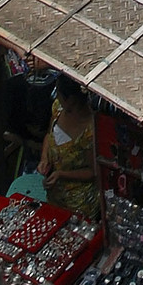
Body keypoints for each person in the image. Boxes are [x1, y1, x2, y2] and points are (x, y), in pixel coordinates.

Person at [38, 75, 98, 216]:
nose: (56, 96)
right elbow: (49, 135)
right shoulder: (58, 108)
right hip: (55, 194)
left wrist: (61, 174)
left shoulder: (90, 130)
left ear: (70, 100)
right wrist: (44, 159)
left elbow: (93, 172)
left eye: (58, 93)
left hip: (79, 203)